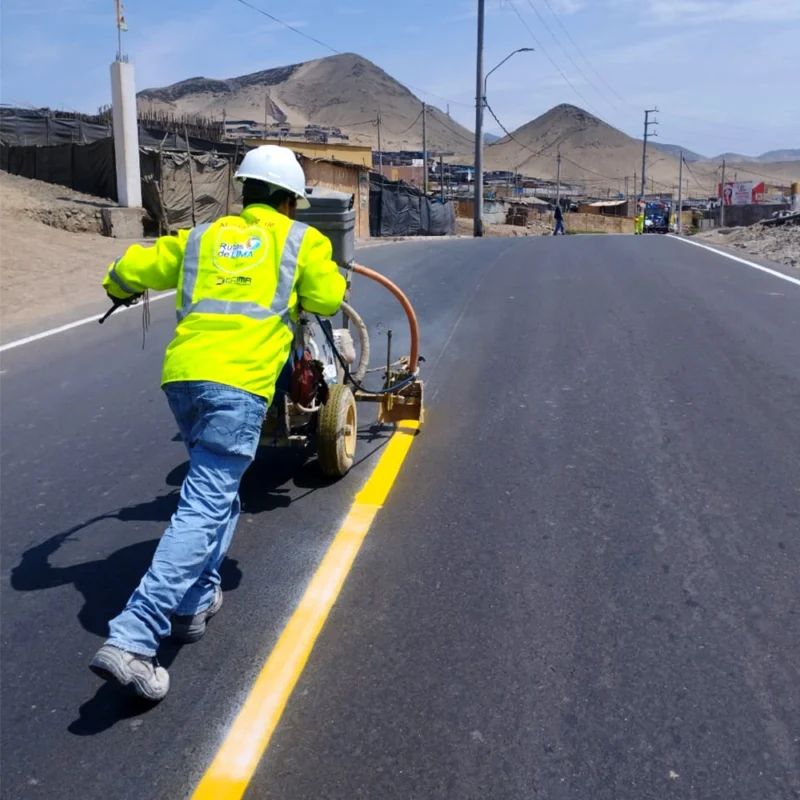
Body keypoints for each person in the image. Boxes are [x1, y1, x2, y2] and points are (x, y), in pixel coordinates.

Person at [90, 146, 346, 701]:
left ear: (244, 191)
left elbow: (136, 266)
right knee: (204, 503)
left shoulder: (202, 239)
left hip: (183, 379)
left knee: (218, 492)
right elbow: (327, 296)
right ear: (288, 201)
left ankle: (194, 600)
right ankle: (135, 637)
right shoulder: (300, 241)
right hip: (239, 385)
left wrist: (118, 284)